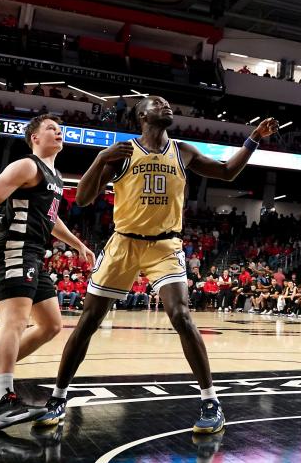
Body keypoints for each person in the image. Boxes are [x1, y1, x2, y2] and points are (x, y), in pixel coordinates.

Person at [35, 97, 276, 433]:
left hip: (164, 244)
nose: (168, 107)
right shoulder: (121, 152)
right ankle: (58, 397)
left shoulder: (183, 151)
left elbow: (226, 171)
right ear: (143, 115)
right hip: (124, 242)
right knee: (89, 319)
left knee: (181, 315)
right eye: (159, 104)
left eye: (168, 103)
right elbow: (86, 198)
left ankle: (211, 402)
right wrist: (101, 159)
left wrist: (253, 140)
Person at [0, 114, 94, 431]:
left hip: (34, 252)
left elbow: (51, 218)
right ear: (34, 137)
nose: (58, 133)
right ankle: (2, 402)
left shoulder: (54, 176)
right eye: (50, 129)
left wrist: (78, 244)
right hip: (14, 248)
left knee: (50, 325)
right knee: (15, 321)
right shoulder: (26, 166)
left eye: (60, 130)